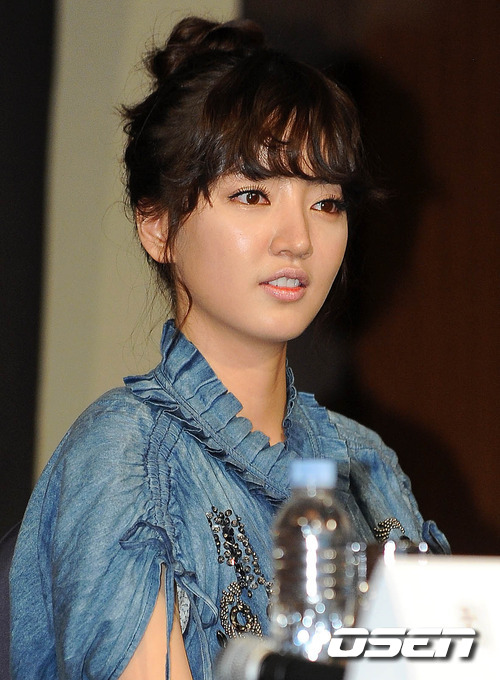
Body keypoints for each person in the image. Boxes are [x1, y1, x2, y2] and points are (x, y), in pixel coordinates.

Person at [9, 15, 450, 680]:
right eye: (252, 195)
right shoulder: (127, 456)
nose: (297, 240)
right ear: (157, 225)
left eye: (326, 203)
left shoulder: (368, 466)